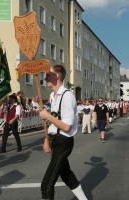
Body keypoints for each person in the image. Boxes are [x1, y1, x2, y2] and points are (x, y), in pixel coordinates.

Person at [39, 64, 87, 200]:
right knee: (66, 175)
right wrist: (46, 140)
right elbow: (54, 123)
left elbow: (66, 127)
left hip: (64, 142)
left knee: (46, 184)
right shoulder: (53, 95)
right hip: (54, 139)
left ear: (57, 76)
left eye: (48, 74)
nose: (45, 77)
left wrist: (47, 116)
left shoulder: (67, 96)